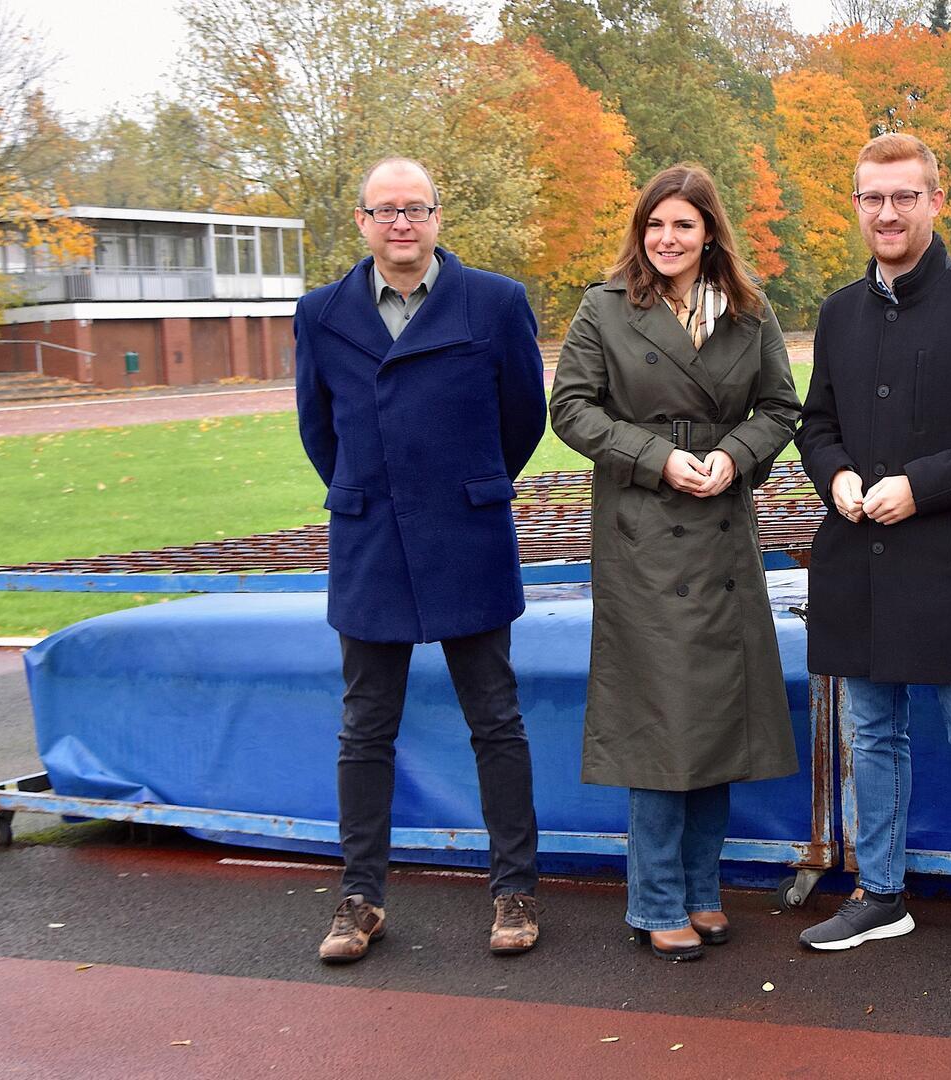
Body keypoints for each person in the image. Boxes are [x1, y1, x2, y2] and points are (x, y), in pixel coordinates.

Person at [795, 133, 951, 981]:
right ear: (858, 204)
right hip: (857, 557)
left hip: (947, 557)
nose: (888, 212)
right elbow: (816, 424)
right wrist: (833, 478)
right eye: (873, 197)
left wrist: (920, 486)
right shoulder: (837, 311)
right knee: (872, 731)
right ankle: (881, 895)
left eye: (905, 196)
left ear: (937, 201)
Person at [295, 157, 549, 963]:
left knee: (495, 721)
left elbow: (523, 417)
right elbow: (318, 430)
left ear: (439, 217)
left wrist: (472, 487)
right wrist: (371, 489)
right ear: (362, 222)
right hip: (370, 541)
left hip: (467, 538)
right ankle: (360, 898)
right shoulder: (320, 313)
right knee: (365, 728)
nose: (401, 223)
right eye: (385, 211)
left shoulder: (496, 303)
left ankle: (515, 892)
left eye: (416, 209)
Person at [549, 163, 802, 961]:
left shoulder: (749, 310)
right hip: (643, 536)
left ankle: (701, 891)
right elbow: (572, 408)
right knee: (661, 727)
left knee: (717, 722)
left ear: (708, 233)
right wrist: (655, 456)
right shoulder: (605, 308)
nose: (667, 239)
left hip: (723, 530)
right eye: (655, 225)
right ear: (641, 229)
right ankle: (655, 899)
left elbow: (781, 407)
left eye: (683, 226)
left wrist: (734, 455)